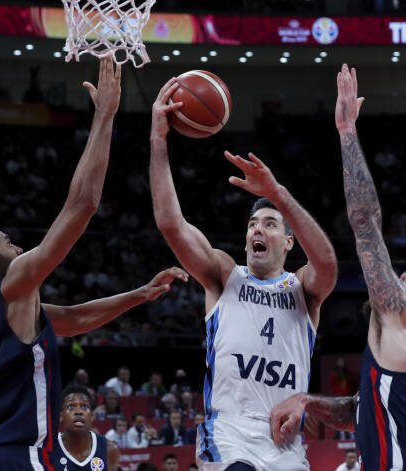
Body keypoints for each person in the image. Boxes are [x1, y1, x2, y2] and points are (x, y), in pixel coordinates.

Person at [0, 56, 188, 469]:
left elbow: (72, 320)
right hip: (18, 456)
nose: (18, 249)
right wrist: (105, 117)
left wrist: (139, 295)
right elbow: (82, 205)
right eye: (8, 244)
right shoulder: (13, 285)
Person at [270, 64, 406, 471]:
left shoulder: (405, 327)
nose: (393, 279)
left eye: (405, 279)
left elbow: (364, 223)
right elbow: (355, 411)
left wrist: (347, 134)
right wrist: (306, 401)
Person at [150, 76, 338, 471]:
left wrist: (281, 196)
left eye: (271, 224)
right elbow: (170, 222)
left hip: (285, 440)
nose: (258, 229)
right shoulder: (223, 275)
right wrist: (158, 140)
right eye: (254, 224)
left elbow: (328, 264)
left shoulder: (303, 288)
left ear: (288, 242)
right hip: (229, 431)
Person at [51, 384, 120, 471]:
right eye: (71, 407)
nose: (79, 412)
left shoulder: (110, 448)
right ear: (61, 416)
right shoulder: (48, 447)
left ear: (91, 416)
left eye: (84, 407)